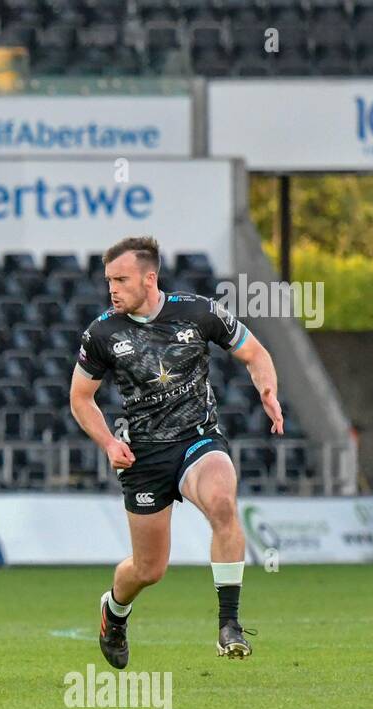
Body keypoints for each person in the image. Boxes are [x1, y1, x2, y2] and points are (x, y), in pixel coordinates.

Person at [69, 236, 284, 667]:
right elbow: (80, 398)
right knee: (149, 570)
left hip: (198, 439)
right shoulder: (103, 332)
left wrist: (267, 390)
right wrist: (109, 442)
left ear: (150, 278)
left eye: (121, 279)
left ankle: (229, 624)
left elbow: (255, 353)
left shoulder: (198, 311)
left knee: (223, 503)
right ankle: (114, 611)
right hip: (142, 456)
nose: (112, 288)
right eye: (109, 279)